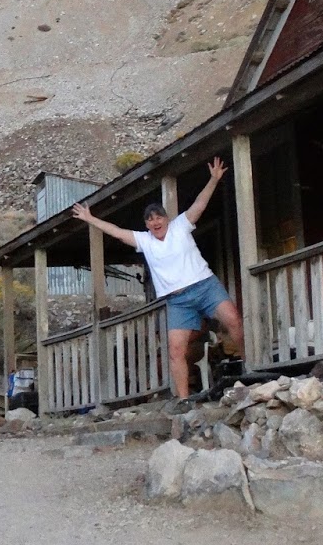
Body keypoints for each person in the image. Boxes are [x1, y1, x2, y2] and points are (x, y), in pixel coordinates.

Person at [71, 157, 243, 402]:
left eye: (159, 217)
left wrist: (214, 179)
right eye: (150, 219)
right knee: (175, 350)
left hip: (205, 286)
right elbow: (117, 232)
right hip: (178, 301)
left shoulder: (180, 226)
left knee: (234, 320)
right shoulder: (145, 241)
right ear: (147, 224)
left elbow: (200, 204)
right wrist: (90, 219)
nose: (155, 222)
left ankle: (250, 369)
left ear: (166, 218)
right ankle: (184, 400)